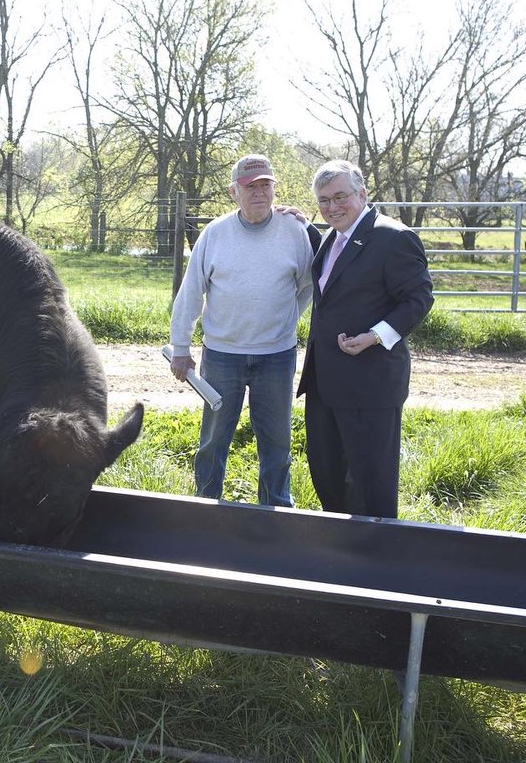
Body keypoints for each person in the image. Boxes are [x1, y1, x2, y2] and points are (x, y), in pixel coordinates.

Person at [168, 154, 314, 507]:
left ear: (274, 188)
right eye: (250, 186)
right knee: (213, 440)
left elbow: (310, 283)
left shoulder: (294, 231)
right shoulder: (215, 234)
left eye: (266, 184)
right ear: (235, 191)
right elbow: (191, 291)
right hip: (222, 357)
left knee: (276, 443)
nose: (259, 192)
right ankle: (206, 507)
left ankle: (276, 511)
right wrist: (180, 346)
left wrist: (290, 317)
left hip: (276, 357)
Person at [295, 159, 434, 519]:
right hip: (325, 381)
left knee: (371, 483)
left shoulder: (393, 238)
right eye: (323, 200)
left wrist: (375, 336)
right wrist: (301, 223)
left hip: (370, 382)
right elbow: (343, 276)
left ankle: (377, 561)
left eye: (340, 197)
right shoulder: (331, 236)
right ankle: (341, 554)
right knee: (327, 475)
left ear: (363, 194)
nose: (332, 207)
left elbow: (419, 298)